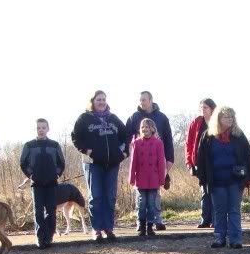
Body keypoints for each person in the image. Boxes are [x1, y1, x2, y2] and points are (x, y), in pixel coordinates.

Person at [71, 90, 128, 242]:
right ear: (93, 101)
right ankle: (97, 229)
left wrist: (123, 153)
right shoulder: (84, 118)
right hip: (92, 164)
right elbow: (75, 137)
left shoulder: (114, 119)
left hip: (112, 164)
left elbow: (127, 136)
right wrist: (87, 150)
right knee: (95, 196)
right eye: (98, 99)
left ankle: (108, 228)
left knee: (110, 196)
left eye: (103, 99)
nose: (101, 102)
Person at [196, 106, 250, 249]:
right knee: (219, 210)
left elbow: (249, 155)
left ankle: (236, 239)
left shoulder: (239, 135)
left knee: (234, 209)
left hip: (235, 180)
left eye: (231, 117)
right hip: (216, 180)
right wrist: (202, 179)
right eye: (226, 117)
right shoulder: (208, 136)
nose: (229, 120)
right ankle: (219, 238)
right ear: (218, 119)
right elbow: (201, 159)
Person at [126, 91, 174, 231]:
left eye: (144, 100)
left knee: (155, 196)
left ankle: (156, 221)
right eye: (140, 100)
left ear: (151, 100)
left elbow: (168, 139)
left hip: (158, 160)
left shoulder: (162, 117)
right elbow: (127, 137)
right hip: (141, 164)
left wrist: (170, 159)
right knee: (141, 199)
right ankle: (140, 223)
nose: (142, 102)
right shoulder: (134, 117)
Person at [20, 119, 65, 249]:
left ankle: (49, 237)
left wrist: (56, 174)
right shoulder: (29, 145)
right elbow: (23, 163)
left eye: (43, 127)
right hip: (37, 184)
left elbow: (61, 163)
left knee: (51, 211)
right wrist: (31, 175)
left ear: (48, 129)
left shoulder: (55, 145)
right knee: (38, 212)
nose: (41, 130)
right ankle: (40, 238)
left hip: (51, 183)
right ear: (35, 129)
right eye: (38, 128)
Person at [128, 118, 166, 236]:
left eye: (147, 127)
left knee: (151, 204)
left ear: (153, 129)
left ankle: (150, 226)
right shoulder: (136, 143)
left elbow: (161, 162)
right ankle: (141, 224)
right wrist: (131, 178)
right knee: (141, 203)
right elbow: (133, 162)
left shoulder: (158, 143)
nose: (145, 129)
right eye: (143, 127)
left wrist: (162, 178)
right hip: (140, 179)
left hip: (153, 178)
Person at [186, 98, 216, 228]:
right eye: (201, 107)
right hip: (200, 161)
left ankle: (216, 219)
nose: (203, 110)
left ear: (212, 109)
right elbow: (189, 143)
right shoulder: (196, 122)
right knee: (204, 190)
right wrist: (189, 162)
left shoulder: (218, 121)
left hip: (216, 161)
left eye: (206, 107)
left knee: (215, 190)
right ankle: (205, 219)